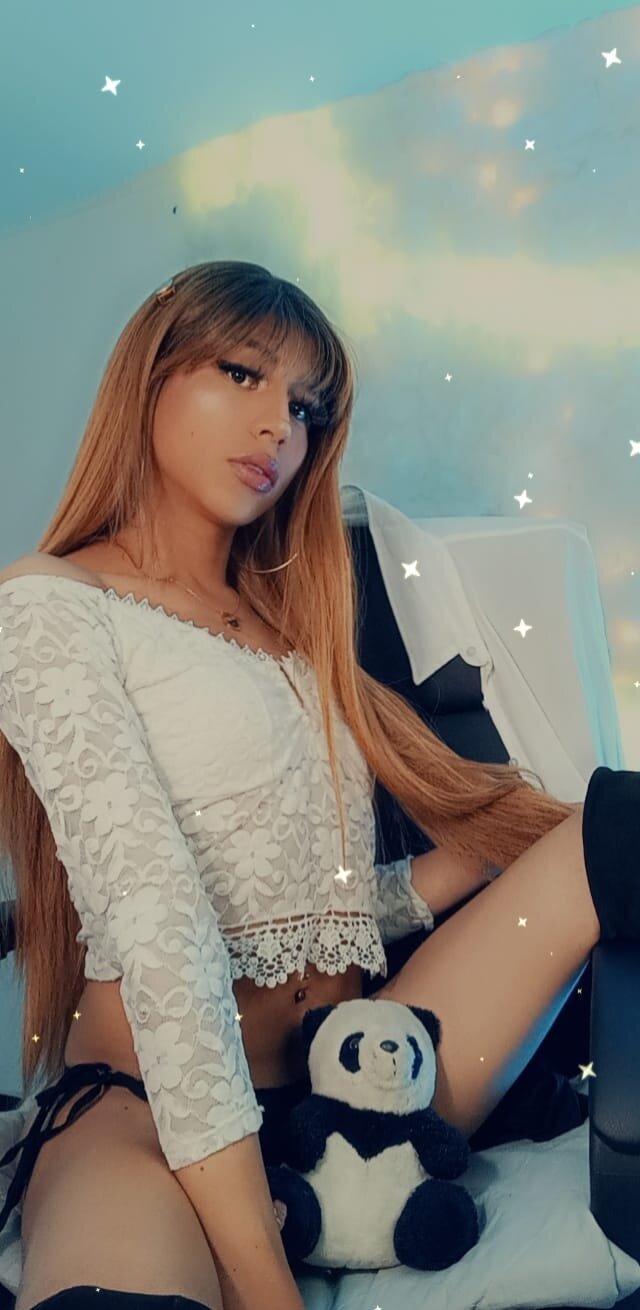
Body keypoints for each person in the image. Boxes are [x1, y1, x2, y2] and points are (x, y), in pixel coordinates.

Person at [0, 259, 636, 1310]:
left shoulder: (298, 627)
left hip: (352, 1078)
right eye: (242, 374)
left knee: (616, 824)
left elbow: (304, 905)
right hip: (149, 1108)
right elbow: (161, 929)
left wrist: (460, 865)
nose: (277, 427)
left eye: (305, 407)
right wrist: (264, 1280)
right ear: (149, 376)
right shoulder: (52, 604)